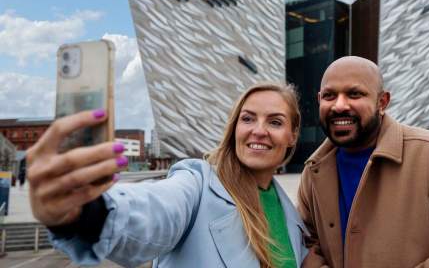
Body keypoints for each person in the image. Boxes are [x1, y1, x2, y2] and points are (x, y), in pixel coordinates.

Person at [27, 83, 308, 267]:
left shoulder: (291, 215)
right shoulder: (197, 183)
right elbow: (155, 208)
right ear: (235, 127)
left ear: (292, 135)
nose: (258, 130)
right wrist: (86, 211)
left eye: (274, 122)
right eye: (248, 118)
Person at [298, 56, 429, 267]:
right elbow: (307, 245)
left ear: (382, 102)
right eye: (329, 96)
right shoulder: (314, 169)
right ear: (319, 101)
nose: (339, 105)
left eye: (354, 94)